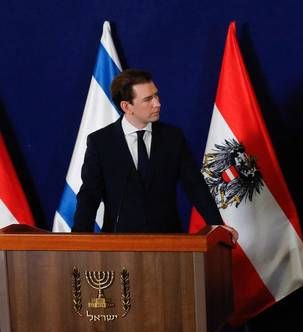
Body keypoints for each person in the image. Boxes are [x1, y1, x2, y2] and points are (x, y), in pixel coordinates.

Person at [73, 69, 237, 240]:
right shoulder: (101, 142)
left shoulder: (173, 138)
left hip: (169, 242)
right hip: (118, 244)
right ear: (126, 106)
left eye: (156, 96)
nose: (157, 103)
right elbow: (89, 195)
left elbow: (195, 186)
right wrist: (78, 239)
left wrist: (217, 225)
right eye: (148, 99)